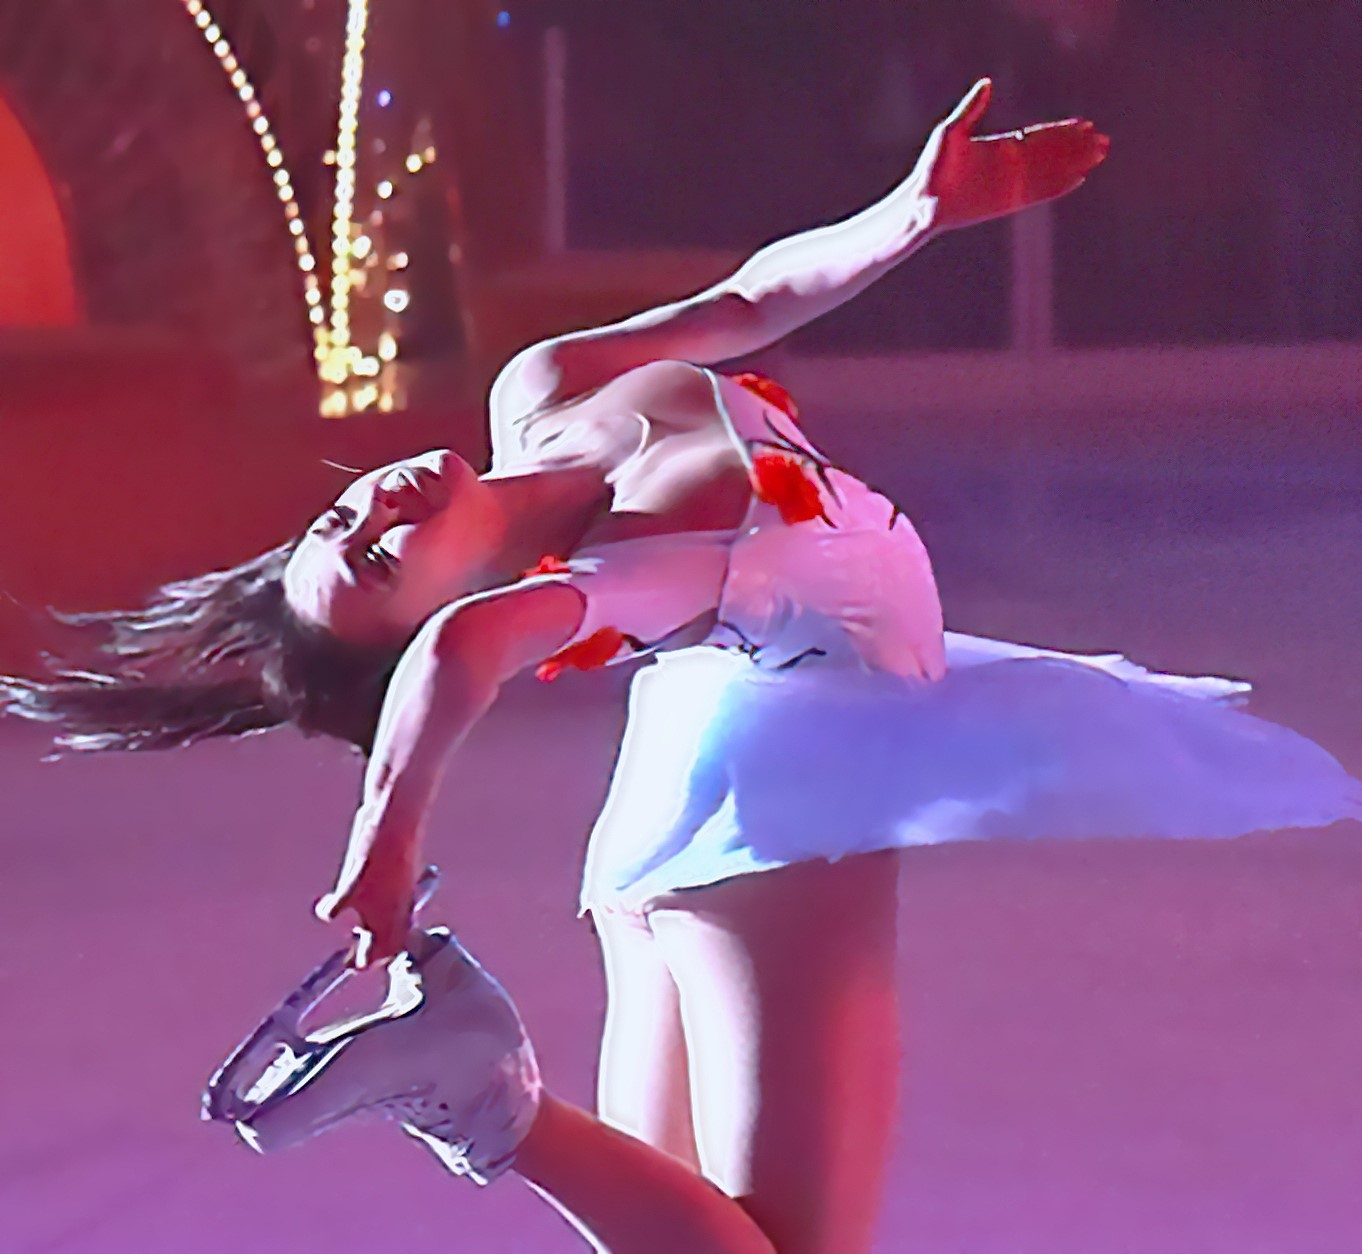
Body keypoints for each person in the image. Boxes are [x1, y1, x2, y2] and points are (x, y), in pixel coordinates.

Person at [4, 81, 1359, 1254]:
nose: (369, 512)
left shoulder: (542, 390)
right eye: (373, 564)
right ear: (429, 612)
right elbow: (466, 649)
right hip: (778, 812)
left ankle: (490, 1096)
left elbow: (746, 299)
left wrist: (909, 217)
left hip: (705, 777)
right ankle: (489, 1103)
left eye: (334, 519)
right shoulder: (613, 571)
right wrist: (386, 840)